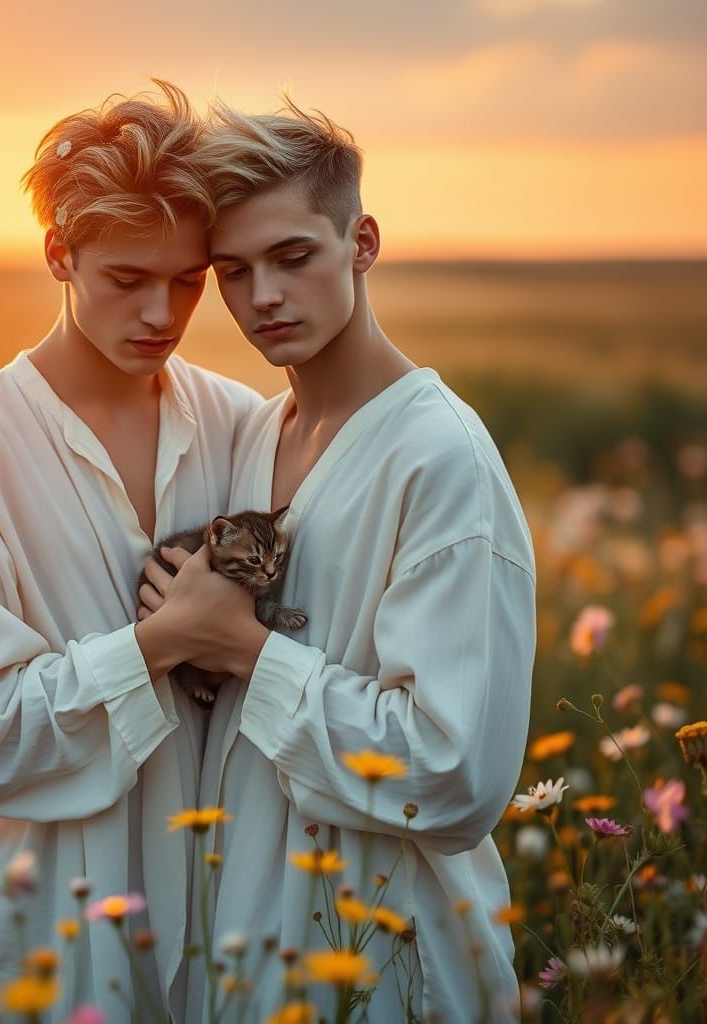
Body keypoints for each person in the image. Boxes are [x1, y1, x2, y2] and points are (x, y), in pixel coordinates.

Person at [137, 101, 537, 1022]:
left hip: (390, 955)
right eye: (232, 271)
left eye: (293, 257)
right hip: (242, 939)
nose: (262, 297)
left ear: (362, 241)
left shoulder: (441, 460)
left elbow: (454, 773)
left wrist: (245, 651)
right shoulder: (252, 439)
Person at [0, 82, 261, 1023]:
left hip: (224, 908)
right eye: (126, 279)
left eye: (187, 279)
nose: (162, 313)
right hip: (35, 922)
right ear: (59, 254)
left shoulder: (239, 425)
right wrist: (161, 642)